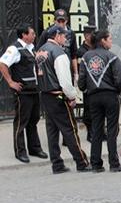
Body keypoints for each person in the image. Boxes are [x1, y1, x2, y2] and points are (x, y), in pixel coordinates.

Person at [36, 25, 90, 174]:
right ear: (57, 35)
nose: (66, 39)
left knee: (52, 131)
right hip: (58, 95)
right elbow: (65, 81)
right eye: (64, 36)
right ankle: (82, 162)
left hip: (45, 95)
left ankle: (57, 164)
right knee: (70, 129)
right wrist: (72, 96)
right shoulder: (59, 53)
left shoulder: (40, 51)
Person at [78, 30, 121, 173]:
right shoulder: (111, 57)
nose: (111, 41)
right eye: (110, 39)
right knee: (112, 130)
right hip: (110, 95)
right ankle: (114, 163)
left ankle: (96, 164)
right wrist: (116, 90)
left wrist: (86, 89)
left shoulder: (86, 57)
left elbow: (81, 81)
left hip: (93, 97)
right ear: (103, 41)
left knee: (96, 130)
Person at [0, 24, 47, 163]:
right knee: (21, 122)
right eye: (32, 33)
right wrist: (10, 82)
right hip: (23, 92)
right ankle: (20, 151)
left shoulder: (31, 48)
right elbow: (2, 64)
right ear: (24, 35)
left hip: (33, 90)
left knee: (33, 120)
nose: (34, 36)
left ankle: (35, 148)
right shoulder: (14, 49)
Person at [37, 9, 78, 80]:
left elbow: (73, 55)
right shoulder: (47, 32)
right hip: (52, 70)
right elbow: (38, 51)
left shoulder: (71, 33)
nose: (61, 24)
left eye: (63, 21)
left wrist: (76, 73)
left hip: (66, 68)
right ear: (54, 20)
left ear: (67, 20)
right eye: (59, 21)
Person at [77, 25, 97, 141]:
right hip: (88, 85)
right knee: (89, 110)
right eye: (92, 34)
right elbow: (81, 70)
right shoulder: (81, 51)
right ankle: (90, 133)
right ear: (87, 36)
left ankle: (99, 132)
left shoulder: (96, 48)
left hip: (97, 84)